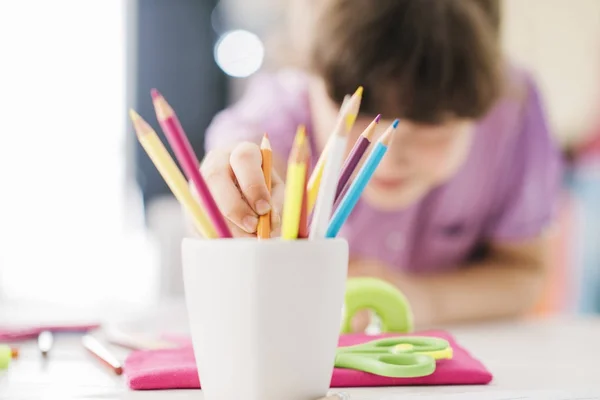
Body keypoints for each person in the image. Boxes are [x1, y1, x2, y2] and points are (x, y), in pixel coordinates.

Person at [198, 0, 563, 328]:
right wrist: (230, 187)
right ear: (312, 75)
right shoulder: (279, 112)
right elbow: (229, 170)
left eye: (431, 124)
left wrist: (423, 299)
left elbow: (525, 274)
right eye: (361, 112)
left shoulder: (512, 111)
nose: (386, 156)